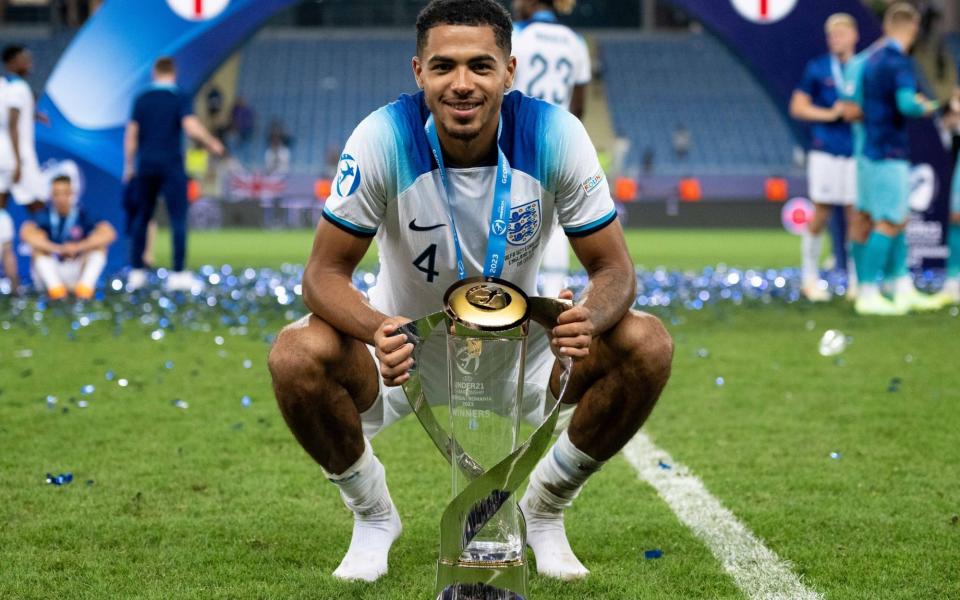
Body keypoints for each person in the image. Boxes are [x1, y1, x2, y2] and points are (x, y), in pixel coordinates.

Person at [267, 0, 673, 584]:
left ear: (510, 70)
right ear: (418, 72)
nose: (462, 84)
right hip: (406, 351)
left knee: (647, 342)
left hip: (523, 355)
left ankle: (545, 508)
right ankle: (373, 516)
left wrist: (591, 314)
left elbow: (615, 270)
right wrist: (374, 328)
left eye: (481, 66)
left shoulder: (556, 133)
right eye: (444, 67)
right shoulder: (383, 136)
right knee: (294, 354)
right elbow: (321, 275)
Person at [853, 3, 943, 315]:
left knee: (888, 219)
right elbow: (906, 105)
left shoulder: (870, 60)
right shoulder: (898, 62)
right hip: (889, 151)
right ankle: (868, 292)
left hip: (869, 148)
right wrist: (928, 105)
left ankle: (897, 284)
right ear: (912, 28)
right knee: (889, 221)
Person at [510, 0, 592, 298]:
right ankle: (555, 296)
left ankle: (512, 294)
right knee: (555, 220)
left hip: (519, 136)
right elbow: (580, 103)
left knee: (512, 214)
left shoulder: (515, 35)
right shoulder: (575, 41)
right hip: (558, 139)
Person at [124, 57, 224, 291]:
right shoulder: (178, 95)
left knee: (142, 216)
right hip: (171, 165)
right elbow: (190, 126)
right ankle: (177, 274)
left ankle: (137, 272)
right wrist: (211, 143)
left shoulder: (141, 98)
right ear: (174, 72)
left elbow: (131, 135)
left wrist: (128, 166)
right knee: (178, 218)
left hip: (146, 165)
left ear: (154, 72)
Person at [789, 13, 861, 302]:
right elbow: (798, 106)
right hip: (825, 150)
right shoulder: (818, 68)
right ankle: (809, 278)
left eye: (841, 34)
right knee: (820, 213)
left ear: (854, 35)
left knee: (855, 216)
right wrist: (831, 114)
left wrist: (858, 112)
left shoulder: (863, 67)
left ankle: (858, 280)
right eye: (832, 35)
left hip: (856, 150)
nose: (836, 39)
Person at [19, 175, 115, 300]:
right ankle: (57, 293)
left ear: (71, 194)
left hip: (76, 267)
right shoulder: (44, 215)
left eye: (64, 193)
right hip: (54, 267)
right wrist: (58, 248)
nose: (60, 198)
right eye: (56, 194)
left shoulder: (82, 214)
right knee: (38, 248)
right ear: (51, 195)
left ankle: (84, 291)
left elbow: (109, 233)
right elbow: (25, 233)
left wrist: (79, 246)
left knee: (99, 248)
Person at [3, 45, 47, 213]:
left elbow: (10, 116)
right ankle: (47, 237)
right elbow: (12, 124)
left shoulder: (4, 85)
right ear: (12, 63)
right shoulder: (17, 88)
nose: (29, 62)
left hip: (6, 154)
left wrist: (34, 115)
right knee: (38, 201)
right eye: (24, 59)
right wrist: (17, 162)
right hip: (19, 155)